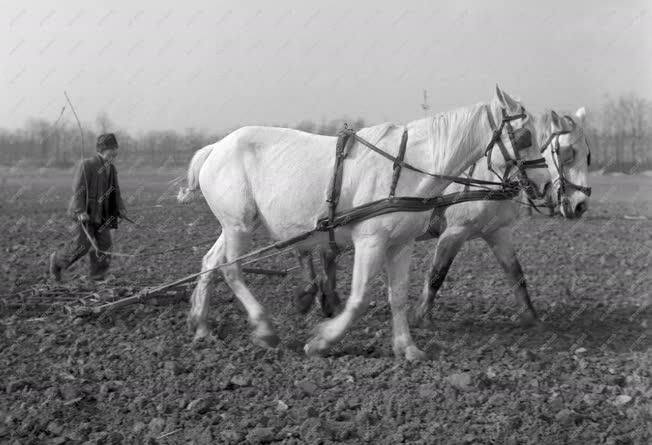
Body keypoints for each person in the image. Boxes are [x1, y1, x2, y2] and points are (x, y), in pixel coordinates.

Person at [50, 133, 127, 282]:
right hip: (85, 213)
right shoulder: (88, 164)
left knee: (105, 245)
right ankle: (57, 260)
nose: (115, 152)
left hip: (102, 215)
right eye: (112, 149)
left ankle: (97, 277)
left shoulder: (112, 168)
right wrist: (80, 211)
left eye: (116, 149)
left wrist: (120, 208)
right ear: (103, 149)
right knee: (82, 246)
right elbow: (78, 188)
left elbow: (115, 191)